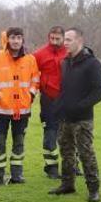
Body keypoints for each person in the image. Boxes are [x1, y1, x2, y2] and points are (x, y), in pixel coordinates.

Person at [48, 28, 101, 202]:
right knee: (66, 152)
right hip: (65, 117)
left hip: (83, 119)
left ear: (79, 41)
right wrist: (58, 106)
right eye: (64, 40)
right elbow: (65, 89)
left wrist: (81, 106)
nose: (64, 43)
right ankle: (67, 184)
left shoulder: (92, 63)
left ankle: (93, 189)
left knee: (85, 152)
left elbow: (100, 90)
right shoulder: (65, 62)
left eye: (68, 40)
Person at [0, 27, 40, 185]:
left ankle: (17, 175)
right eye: (13, 38)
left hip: (22, 110)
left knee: (19, 143)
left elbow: (36, 80)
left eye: (19, 38)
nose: (16, 41)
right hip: (0, 110)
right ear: (7, 39)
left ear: (23, 40)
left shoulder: (30, 59)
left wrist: (31, 95)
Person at [32, 26, 69, 179]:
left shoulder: (70, 52)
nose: (54, 41)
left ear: (63, 38)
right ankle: (51, 167)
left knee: (70, 132)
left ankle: (72, 165)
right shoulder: (39, 54)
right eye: (51, 38)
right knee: (50, 133)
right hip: (48, 98)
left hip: (68, 98)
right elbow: (31, 73)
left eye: (57, 39)